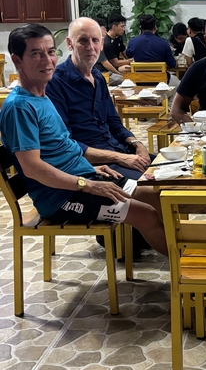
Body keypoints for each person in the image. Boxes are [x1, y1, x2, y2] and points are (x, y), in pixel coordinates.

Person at [0, 24, 167, 256]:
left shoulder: (42, 96)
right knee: (146, 214)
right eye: (36, 53)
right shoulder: (19, 107)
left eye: (50, 52)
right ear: (17, 60)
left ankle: (183, 255)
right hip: (61, 198)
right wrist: (88, 184)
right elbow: (32, 168)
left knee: (157, 196)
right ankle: (183, 272)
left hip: (84, 178)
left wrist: (90, 169)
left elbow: (61, 147)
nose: (47, 61)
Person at [46, 18, 151, 180]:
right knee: (154, 186)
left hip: (117, 150)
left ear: (101, 44)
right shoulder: (55, 82)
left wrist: (137, 144)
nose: (90, 47)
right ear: (69, 43)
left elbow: (114, 122)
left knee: (173, 170)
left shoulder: (98, 77)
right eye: (83, 40)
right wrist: (119, 158)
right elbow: (65, 143)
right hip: (94, 165)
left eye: (95, 40)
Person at [93, 17, 130, 86]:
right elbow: (106, 64)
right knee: (126, 79)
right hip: (103, 74)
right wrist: (119, 73)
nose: (106, 31)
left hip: (107, 72)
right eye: (104, 29)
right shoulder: (97, 44)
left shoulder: (117, 39)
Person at [103, 14, 132, 81]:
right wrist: (131, 61)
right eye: (122, 26)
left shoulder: (118, 38)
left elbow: (125, 54)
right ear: (114, 27)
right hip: (109, 70)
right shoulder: (107, 43)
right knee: (127, 68)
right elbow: (115, 63)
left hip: (118, 66)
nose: (123, 29)